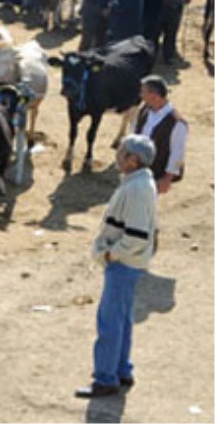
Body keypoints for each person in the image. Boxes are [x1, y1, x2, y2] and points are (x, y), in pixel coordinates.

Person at [76, 135, 159, 399]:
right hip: (129, 264)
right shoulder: (140, 183)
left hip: (123, 263)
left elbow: (135, 236)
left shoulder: (136, 189)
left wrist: (112, 255)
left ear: (133, 160)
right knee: (121, 319)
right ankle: (121, 370)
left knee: (110, 321)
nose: (117, 155)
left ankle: (105, 378)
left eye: (122, 152)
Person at [132, 75, 187, 195]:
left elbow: (177, 153)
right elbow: (134, 132)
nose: (141, 95)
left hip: (157, 172)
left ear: (154, 96)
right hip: (137, 169)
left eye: (143, 92)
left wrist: (167, 178)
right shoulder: (144, 110)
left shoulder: (176, 123)